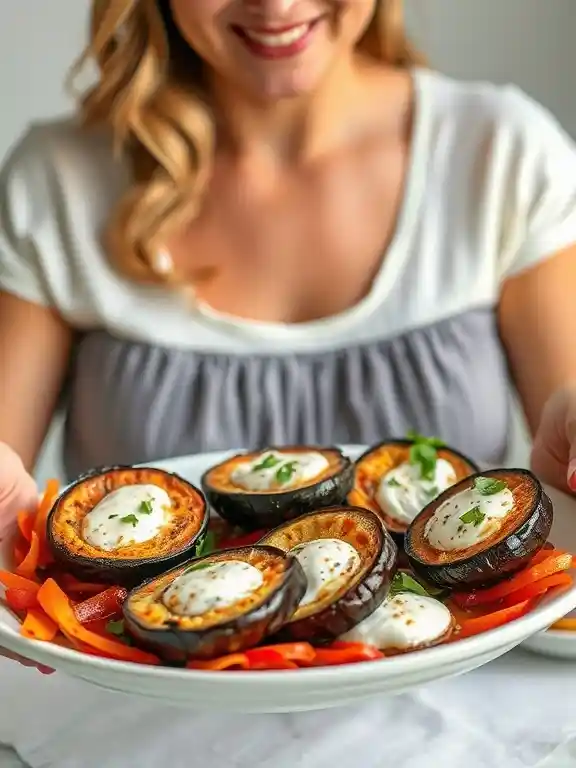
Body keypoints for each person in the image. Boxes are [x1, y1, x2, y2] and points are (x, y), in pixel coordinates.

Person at [1, 0, 576, 752]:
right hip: (139, 740)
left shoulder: (501, 151)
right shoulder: (59, 178)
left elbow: (561, 488)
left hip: (460, 734)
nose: (275, 5)